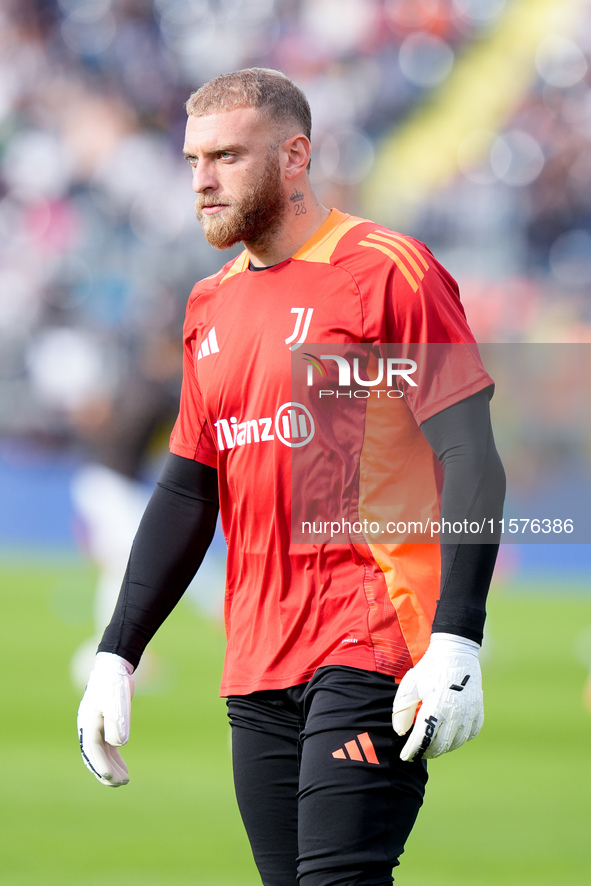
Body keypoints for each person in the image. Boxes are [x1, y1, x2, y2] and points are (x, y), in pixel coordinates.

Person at [77, 68, 506, 886]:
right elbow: (187, 488)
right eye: (192, 159)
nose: (201, 180)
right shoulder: (209, 304)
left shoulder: (387, 270)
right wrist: (117, 652)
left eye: (227, 156)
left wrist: (457, 635)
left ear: (293, 157)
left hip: (372, 642)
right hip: (258, 658)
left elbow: (469, 454)